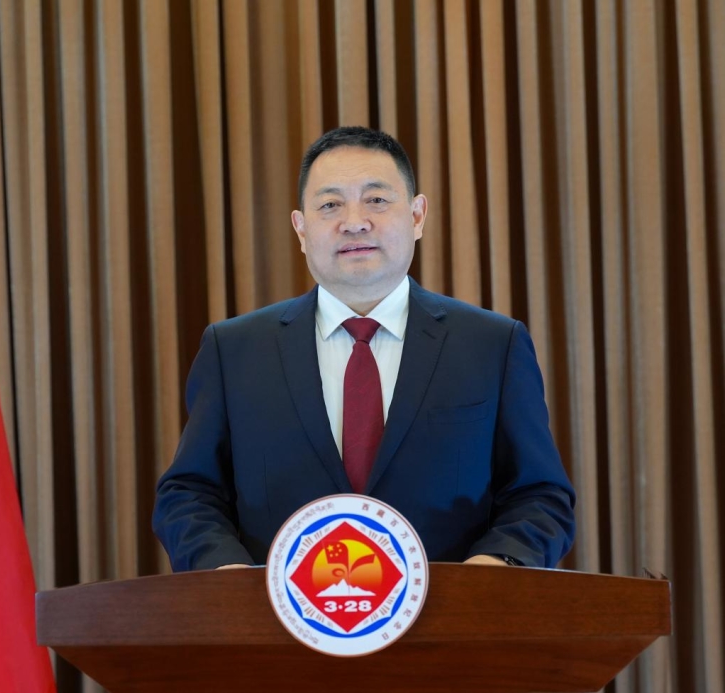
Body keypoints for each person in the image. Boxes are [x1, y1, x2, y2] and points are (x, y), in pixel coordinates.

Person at [153, 126, 575, 571]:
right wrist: (228, 578)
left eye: (376, 199)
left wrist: (492, 570)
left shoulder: (493, 345)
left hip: (451, 611)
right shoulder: (234, 350)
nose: (354, 221)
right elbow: (188, 493)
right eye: (330, 205)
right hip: (275, 612)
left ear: (417, 216)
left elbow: (540, 495)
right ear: (301, 228)